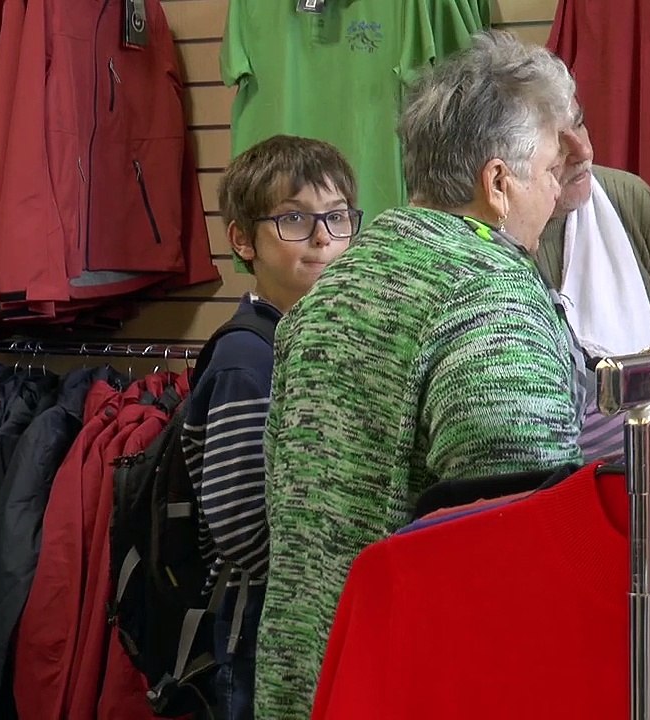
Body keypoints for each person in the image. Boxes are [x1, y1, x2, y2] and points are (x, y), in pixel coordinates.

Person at [255, 31, 585, 717]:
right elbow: (519, 538)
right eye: (552, 170)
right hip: (419, 680)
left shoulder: (332, 288)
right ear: (499, 183)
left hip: (309, 672)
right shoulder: (491, 297)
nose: (558, 194)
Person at [180, 135, 359, 720]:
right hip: (260, 620)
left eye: (337, 217)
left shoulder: (317, 341)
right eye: (294, 219)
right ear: (242, 240)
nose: (323, 238)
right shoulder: (247, 358)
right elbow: (238, 520)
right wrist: (311, 579)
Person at [534, 102, 650, 457]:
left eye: (580, 124)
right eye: (555, 141)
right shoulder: (477, 250)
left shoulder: (630, 202)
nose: (584, 152)